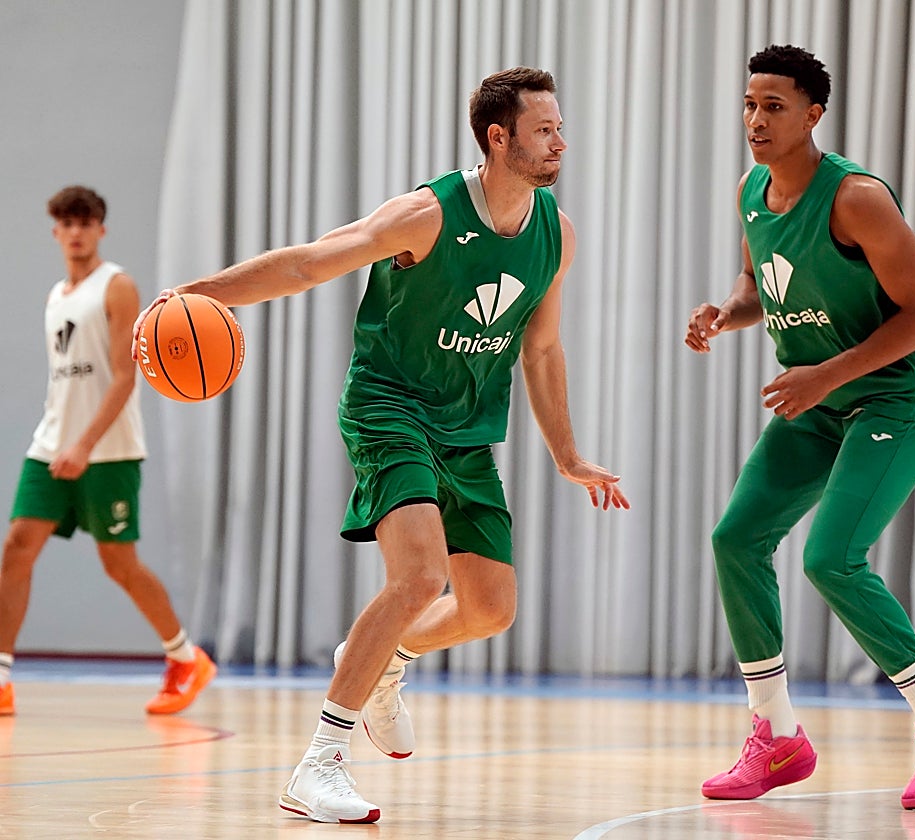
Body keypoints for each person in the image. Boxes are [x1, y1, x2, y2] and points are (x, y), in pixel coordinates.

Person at [132, 67, 629, 825]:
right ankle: (318, 764)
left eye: (560, 127)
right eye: (544, 129)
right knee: (420, 576)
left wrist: (566, 453)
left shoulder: (554, 232)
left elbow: (543, 349)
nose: (561, 140)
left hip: (465, 429)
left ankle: (386, 658)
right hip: (387, 406)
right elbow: (308, 261)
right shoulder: (427, 214)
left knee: (490, 609)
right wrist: (199, 294)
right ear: (500, 138)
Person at [685, 45, 915, 811]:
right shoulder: (754, 192)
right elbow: (762, 287)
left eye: (775, 106)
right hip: (819, 400)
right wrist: (726, 312)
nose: (756, 119)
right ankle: (777, 735)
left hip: (898, 400)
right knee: (735, 540)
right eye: (750, 104)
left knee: (832, 559)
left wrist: (825, 375)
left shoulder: (856, 198)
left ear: (814, 114)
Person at [0, 186, 217, 718]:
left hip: (109, 450)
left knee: (119, 564)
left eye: (86, 222)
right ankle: (2, 674)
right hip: (51, 443)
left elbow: (126, 378)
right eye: (67, 223)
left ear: (101, 229)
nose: (76, 231)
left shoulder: (116, 287)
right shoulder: (57, 295)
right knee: (16, 551)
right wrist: (61, 439)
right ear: (55, 232)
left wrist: (84, 444)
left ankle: (186, 658)